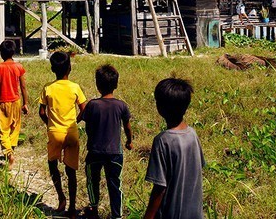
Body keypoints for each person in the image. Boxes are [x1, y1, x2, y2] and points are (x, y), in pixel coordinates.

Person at [144, 78, 205, 219]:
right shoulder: (192, 134)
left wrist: (148, 216)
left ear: (160, 107)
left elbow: (159, 188)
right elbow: (198, 169)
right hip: (195, 213)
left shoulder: (162, 141)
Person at [79, 65, 133, 219]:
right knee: (115, 185)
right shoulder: (121, 105)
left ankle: (93, 208)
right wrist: (129, 141)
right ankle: (117, 215)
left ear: (97, 85)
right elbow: (127, 127)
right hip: (115, 152)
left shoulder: (92, 104)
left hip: (95, 151)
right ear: (116, 84)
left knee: (92, 181)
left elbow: (85, 123)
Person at [39, 51, 87, 217]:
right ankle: (73, 208)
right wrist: (75, 122)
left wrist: (50, 124)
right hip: (71, 132)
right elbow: (84, 109)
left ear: (52, 69)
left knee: (53, 164)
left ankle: (61, 198)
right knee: (71, 171)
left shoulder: (48, 88)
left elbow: (42, 112)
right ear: (70, 67)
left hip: (55, 132)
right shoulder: (75, 87)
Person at [0, 39, 29, 165]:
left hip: (2, 102)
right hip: (16, 101)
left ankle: (8, 153)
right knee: (14, 128)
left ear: (1, 53)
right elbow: (23, 87)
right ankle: (11, 151)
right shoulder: (19, 67)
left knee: (3, 130)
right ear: (13, 52)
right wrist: (25, 103)